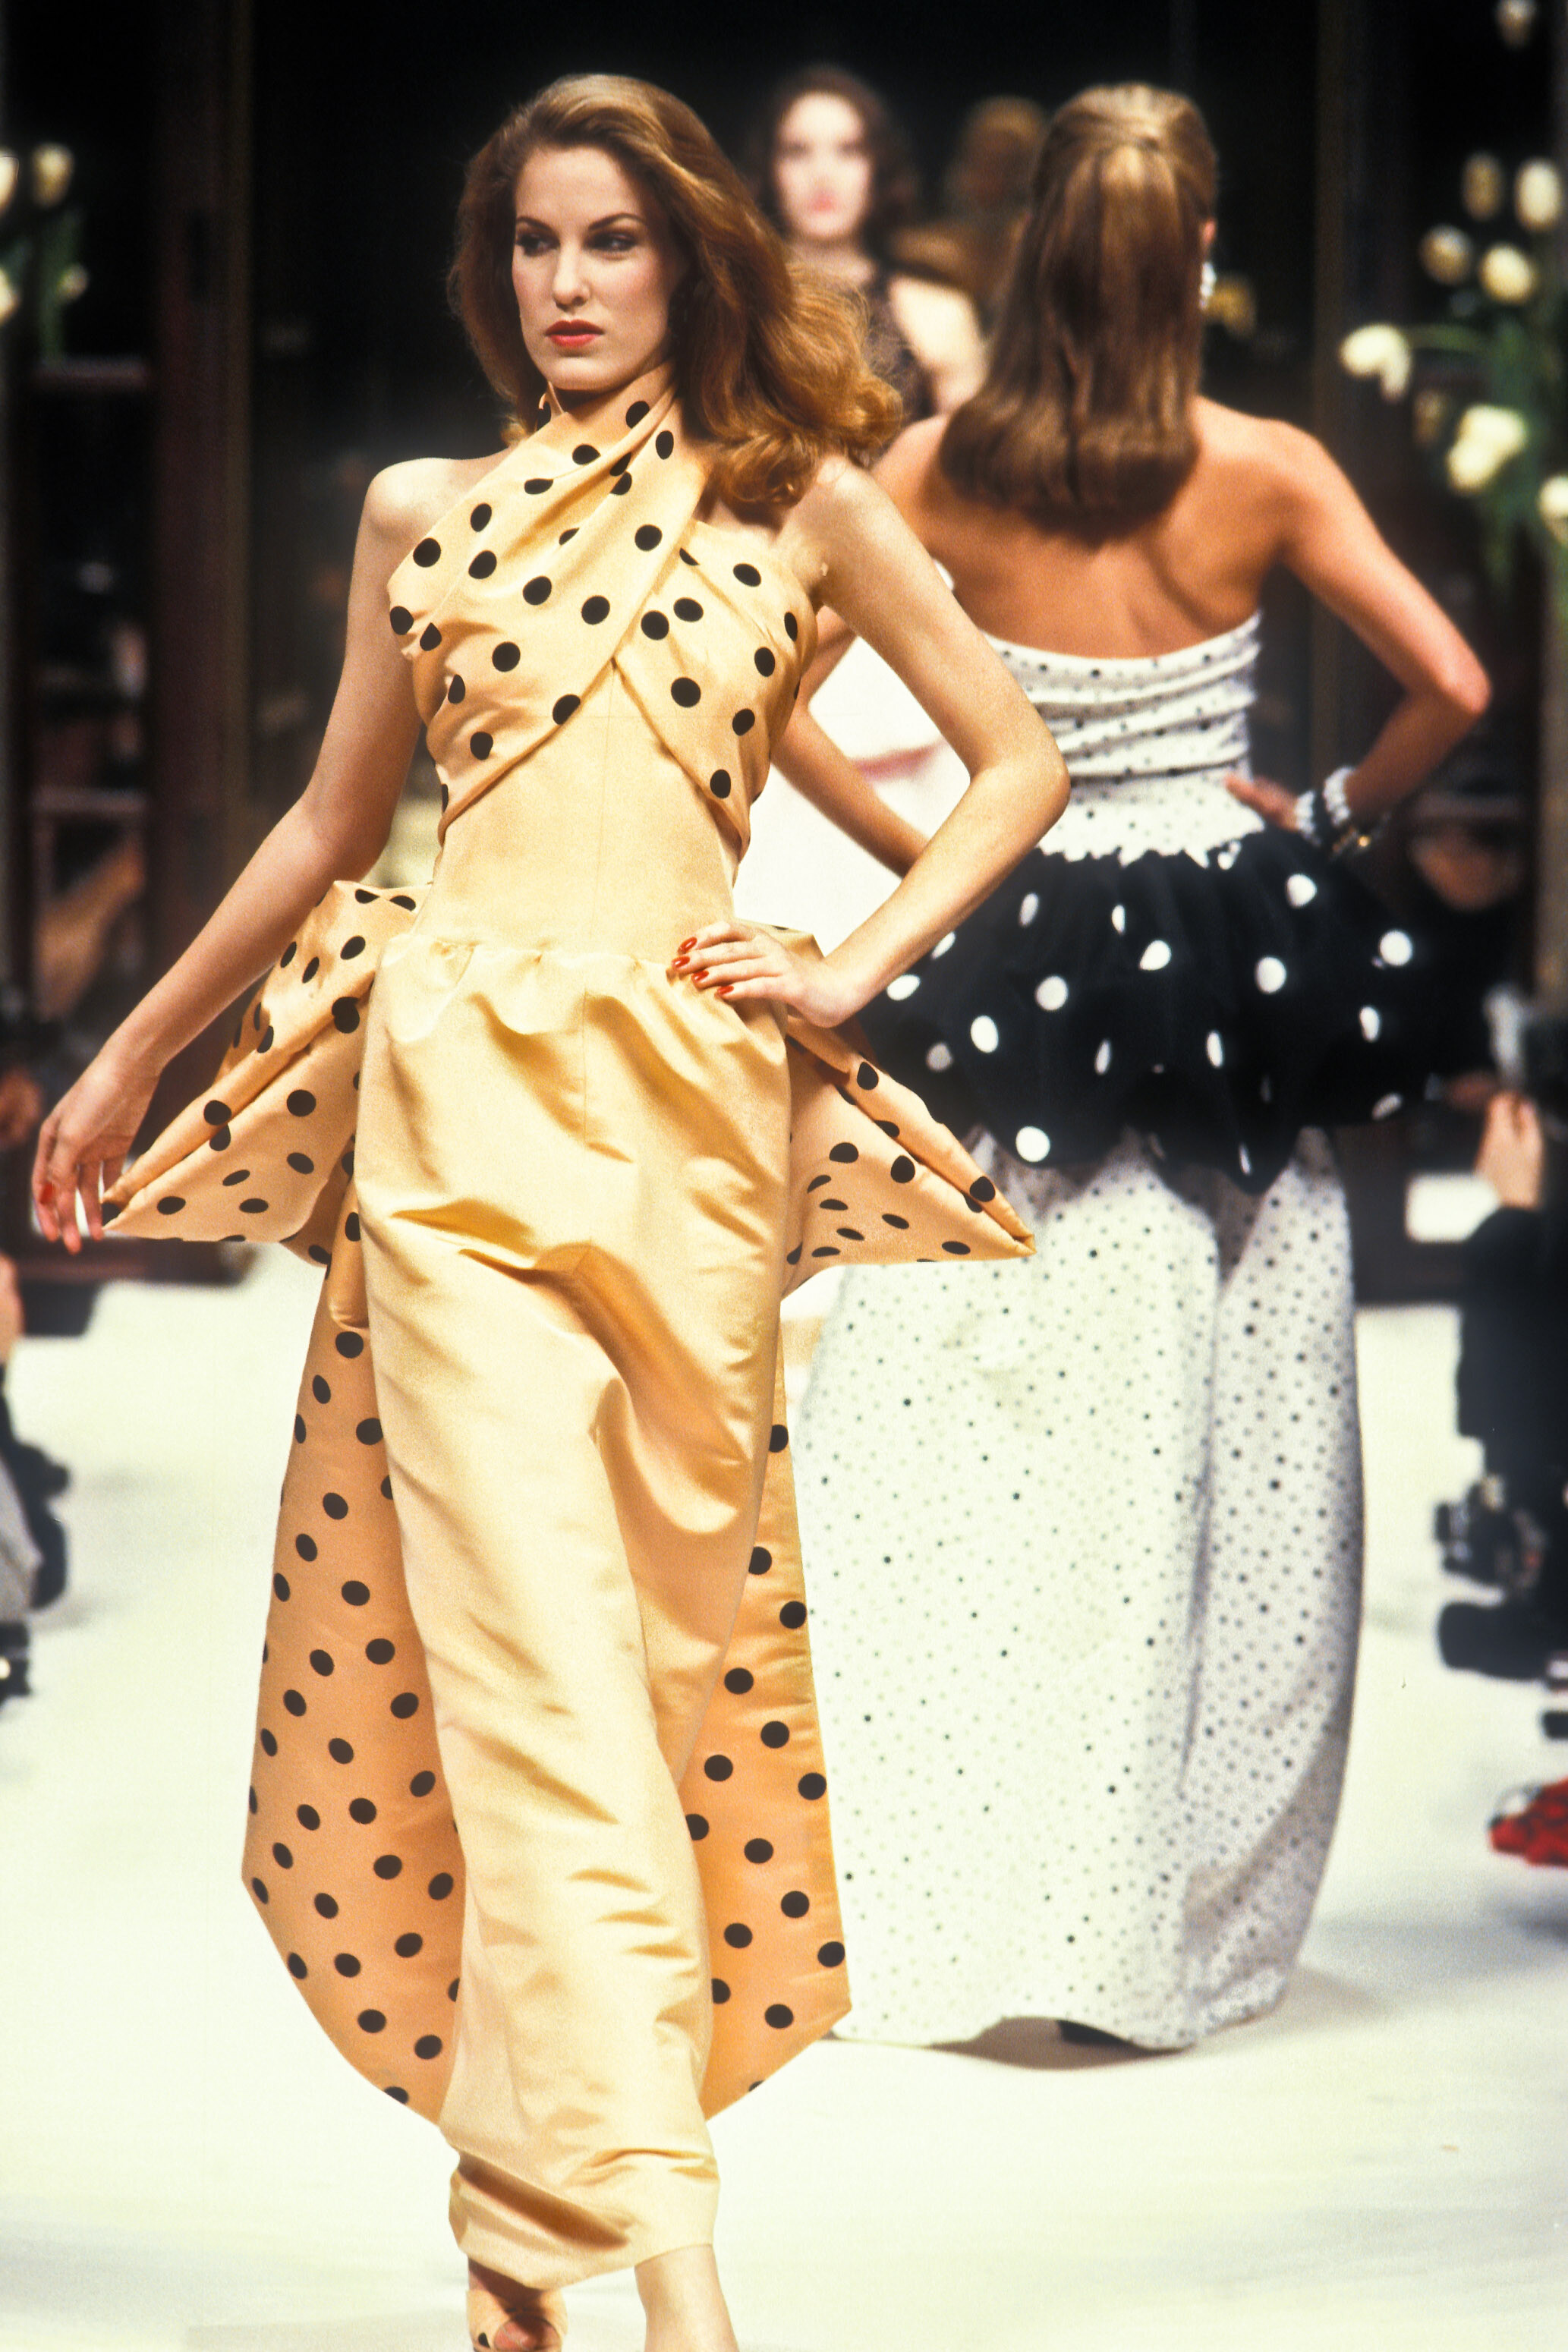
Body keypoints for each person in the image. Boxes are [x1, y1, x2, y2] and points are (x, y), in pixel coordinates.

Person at [30, 74, 1063, 2352]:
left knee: (658, 1683)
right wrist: (123, 1055)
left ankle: (520, 2230)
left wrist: (854, 964)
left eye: (610, 240)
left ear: (690, 257)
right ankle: (679, 2284)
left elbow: (1017, 758)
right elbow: (326, 827)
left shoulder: (802, 506)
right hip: (455, 1124)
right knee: (529, 1684)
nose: (567, 282)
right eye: (531, 243)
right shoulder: (427, 510)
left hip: (690, 1134)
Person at [790, 83, 1490, 2057]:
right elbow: (1454, 682)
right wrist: (1332, 816)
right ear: (1197, 256)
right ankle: (1161, 1910)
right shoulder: (1260, 468)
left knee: (961, 1424)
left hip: (1014, 943)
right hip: (1220, 965)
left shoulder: (935, 466)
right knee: (1234, 1436)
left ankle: (936, 1877)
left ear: (1026, 258)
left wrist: (927, 862)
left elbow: (769, 696)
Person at [748, 65, 985, 423]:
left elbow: (972, 455)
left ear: (878, 168)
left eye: (849, 150)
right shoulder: (730, 307)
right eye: (797, 151)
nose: (823, 174)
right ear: (769, 169)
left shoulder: (938, 314)